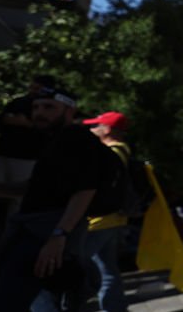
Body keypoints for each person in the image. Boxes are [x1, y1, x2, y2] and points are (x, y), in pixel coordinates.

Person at [0, 84, 103, 311]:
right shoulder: (51, 141)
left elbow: (85, 190)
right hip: (31, 231)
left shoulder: (76, 139)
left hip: (46, 236)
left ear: (69, 110)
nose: (40, 113)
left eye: (49, 107)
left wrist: (59, 236)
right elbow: (35, 189)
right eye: (36, 107)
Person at [0, 75, 53, 244]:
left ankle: (12, 239)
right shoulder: (18, 102)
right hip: (4, 155)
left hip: (28, 159)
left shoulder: (53, 108)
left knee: (18, 203)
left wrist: (29, 124)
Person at [82, 111, 132, 312]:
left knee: (77, 265)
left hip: (101, 220)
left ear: (107, 129)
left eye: (95, 126)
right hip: (111, 219)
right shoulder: (119, 150)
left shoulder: (112, 152)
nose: (92, 130)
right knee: (107, 270)